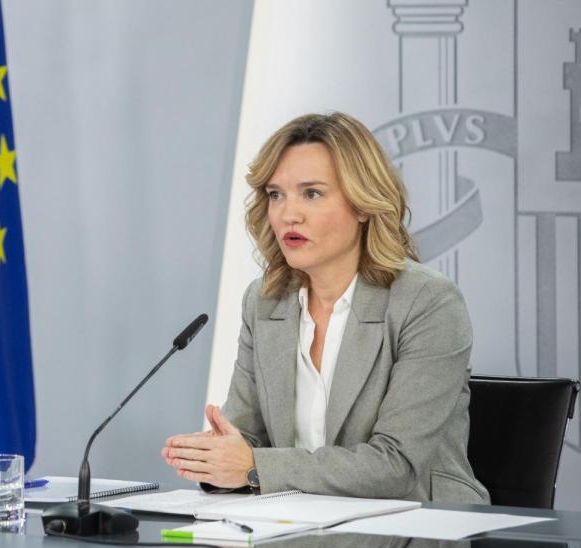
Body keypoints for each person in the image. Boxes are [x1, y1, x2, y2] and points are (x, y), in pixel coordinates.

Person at [163, 112, 489, 504]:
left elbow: (396, 466)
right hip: (296, 530)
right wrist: (214, 458)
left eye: (312, 193)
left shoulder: (427, 302)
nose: (288, 214)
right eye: (275, 194)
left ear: (364, 204)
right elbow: (247, 436)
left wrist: (254, 467)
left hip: (412, 534)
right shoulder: (265, 301)